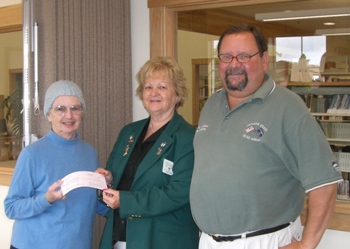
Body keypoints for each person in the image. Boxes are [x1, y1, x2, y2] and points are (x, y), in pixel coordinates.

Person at [189, 23, 343, 249]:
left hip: (263, 241)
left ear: (263, 59)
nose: (234, 64)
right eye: (226, 56)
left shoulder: (288, 107)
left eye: (243, 56)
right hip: (210, 241)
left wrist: (306, 244)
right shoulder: (212, 104)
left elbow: (325, 183)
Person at [98, 56, 199, 249]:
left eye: (162, 87)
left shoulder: (188, 137)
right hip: (119, 235)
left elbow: (178, 192)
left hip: (162, 240)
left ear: (177, 94)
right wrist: (107, 177)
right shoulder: (129, 132)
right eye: (148, 87)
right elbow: (116, 174)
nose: (154, 93)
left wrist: (125, 201)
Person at [4, 80, 109, 249]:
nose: (69, 115)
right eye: (60, 109)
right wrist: (47, 199)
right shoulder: (32, 154)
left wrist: (119, 203)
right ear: (48, 114)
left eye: (75, 108)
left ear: (82, 113)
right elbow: (11, 208)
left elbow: (90, 203)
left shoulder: (89, 153)